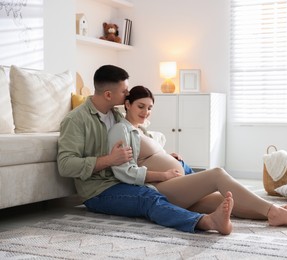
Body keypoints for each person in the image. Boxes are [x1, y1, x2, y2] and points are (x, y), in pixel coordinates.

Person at [108, 85, 287, 227]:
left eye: (150, 107)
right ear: (127, 104)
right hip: (161, 188)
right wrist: (163, 174)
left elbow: (147, 155)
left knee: (225, 201)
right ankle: (274, 211)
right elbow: (126, 171)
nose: (146, 111)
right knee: (217, 175)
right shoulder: (121, 129)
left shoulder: (142, 129)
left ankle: (285, 211)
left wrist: (170, 157)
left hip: (177, 184)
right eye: (140, 106)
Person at [57, 65, 234, 235]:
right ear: (109, 94)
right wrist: (109, 160)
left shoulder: (116, 115)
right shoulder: (76, 120)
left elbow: (140, 141)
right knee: (148, 197)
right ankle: (206, 222)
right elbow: (65, 165)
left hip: (125, 180)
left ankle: (252, 211)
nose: (128, 93)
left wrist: (164, 156)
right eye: (124, 91)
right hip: (99, 191)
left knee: (185, 173)